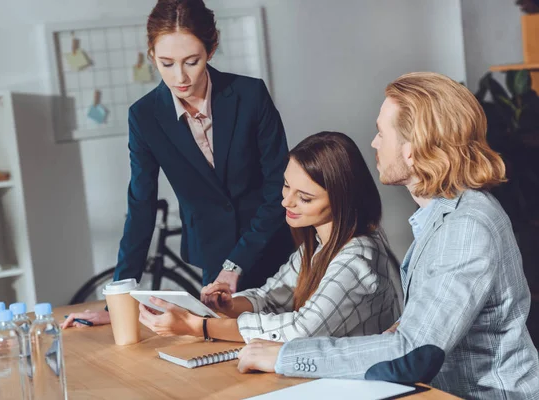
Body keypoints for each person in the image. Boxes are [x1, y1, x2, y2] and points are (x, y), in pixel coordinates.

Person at [235, 72, 539, 399]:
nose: (374, 143)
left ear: (412, 149)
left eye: (381, 133)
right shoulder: (446, 217)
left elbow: (411, 353)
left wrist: (286, 356)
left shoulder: (465, 228)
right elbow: (414, 336)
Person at [62, 0, 293, 329]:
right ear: (152, 54)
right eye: (167, 63)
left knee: (283, 339)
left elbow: (278, 187)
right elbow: (141, 206)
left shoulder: (250, 95)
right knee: (226, 349)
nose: (180, 77)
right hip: (213, 255)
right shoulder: (144, 117)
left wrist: (237, 263)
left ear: (211, 49)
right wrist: (117, 306)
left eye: (192, 61)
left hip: (274, 245)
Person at [138, 132, 403, 343]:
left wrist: (201, 326)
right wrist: (229, 304)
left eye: (305, 197)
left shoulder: (356, 259)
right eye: (286, 186)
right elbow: (271, 298)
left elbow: (300, 330)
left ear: (342, 200)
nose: (287, 201)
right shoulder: (317, 246)